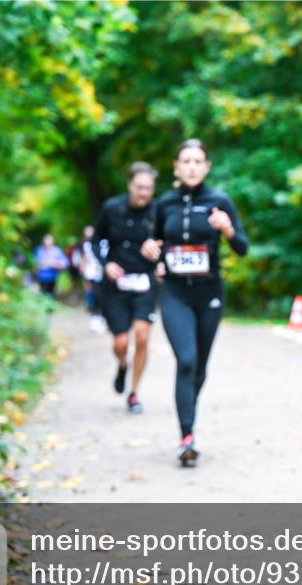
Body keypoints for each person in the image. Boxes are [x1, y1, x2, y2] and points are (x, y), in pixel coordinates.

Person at [142, 139, 249, 466]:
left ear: (206, 166)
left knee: (199, 366)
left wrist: (228, 231)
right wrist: (153, 256)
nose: (191, 166)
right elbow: (155, 244)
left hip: (210, 293)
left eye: (197, 161)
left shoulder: (219, 201)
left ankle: (188, 409)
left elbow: (243, 247)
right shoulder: (164, 204)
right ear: (176, 167)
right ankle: (186, 436)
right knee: (185, 360)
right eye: (185, 161)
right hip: (175, 293)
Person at [93, 162, 161, 413]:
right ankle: (123, 365)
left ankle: (133, 394)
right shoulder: (111, 208)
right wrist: (106, 263)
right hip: (115, 285)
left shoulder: (158, 212)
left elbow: (166, 241)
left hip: (144, 282)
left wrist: (159, 259)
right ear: (129, 185)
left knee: (142, 337)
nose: (144, 193)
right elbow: (97, 240)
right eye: (139, 187)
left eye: (149, 188)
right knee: (121, 343)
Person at [78, 225, 107, 334]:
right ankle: (96, 318)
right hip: (92, 275)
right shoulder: (86, 245)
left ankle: (103, 318)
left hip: (105, 274)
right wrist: (83, 275)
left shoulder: (105, 242)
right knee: (94, 296)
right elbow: (84, 260)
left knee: (104, 297)